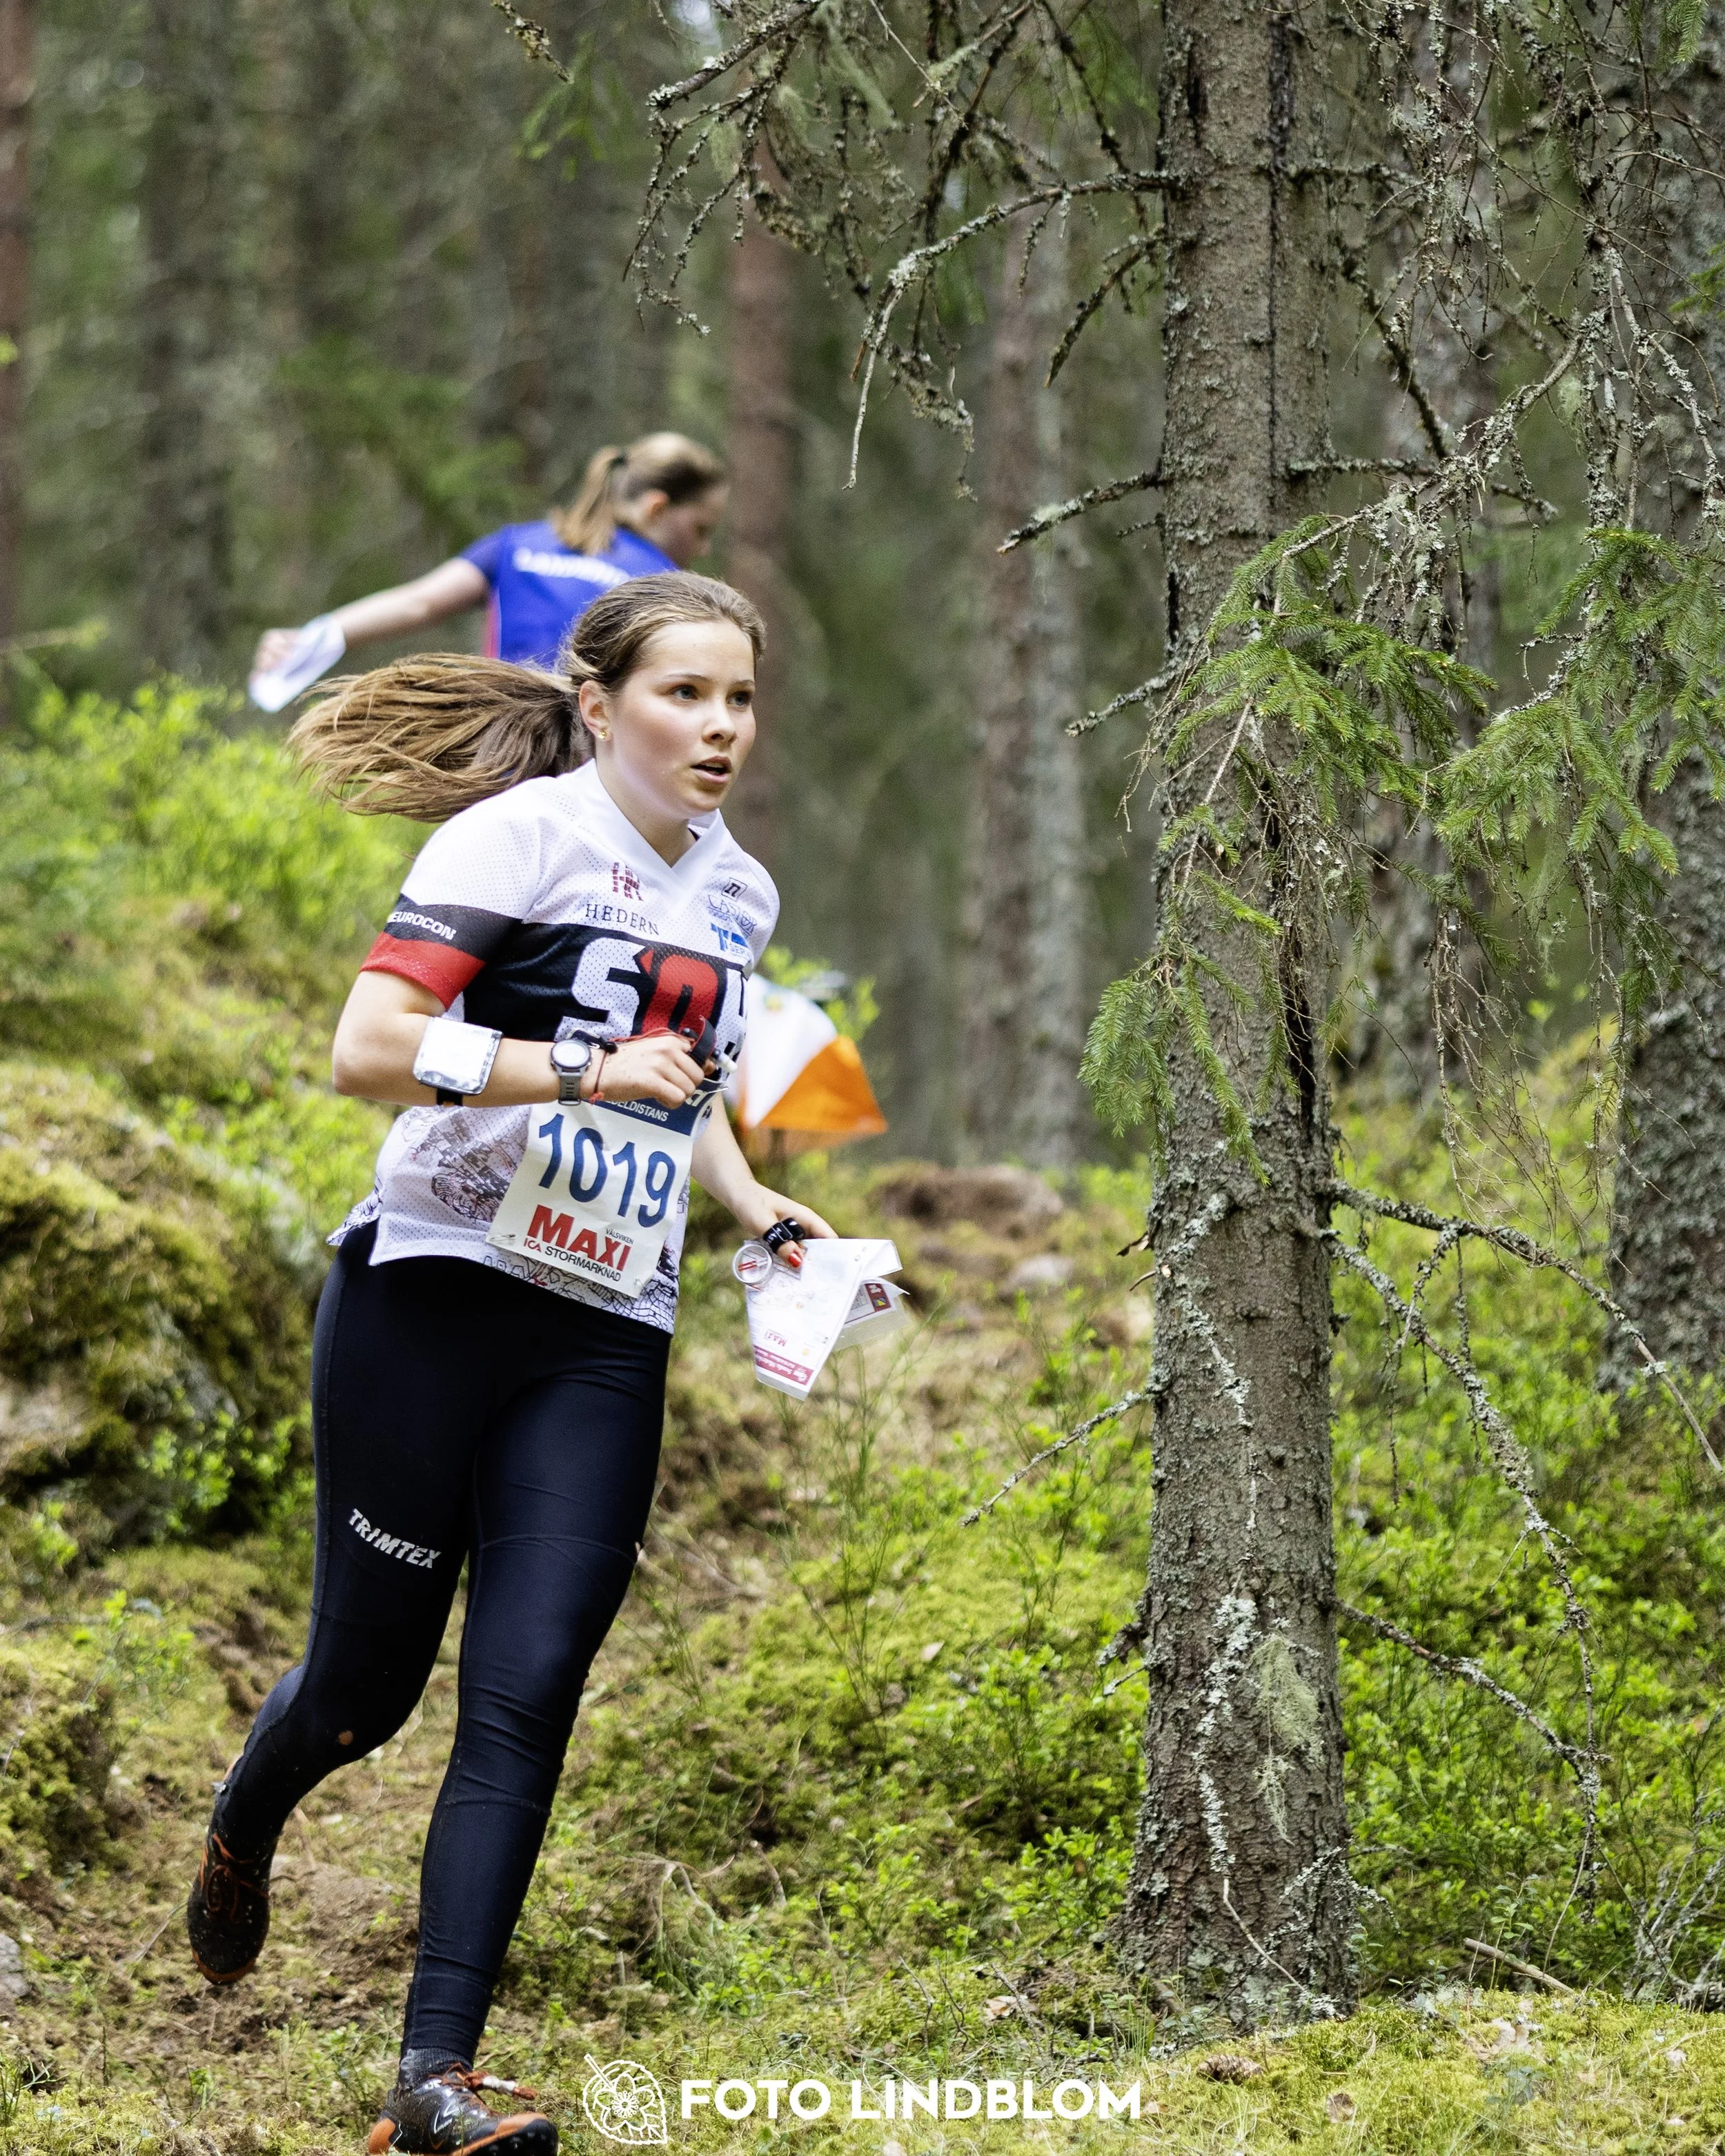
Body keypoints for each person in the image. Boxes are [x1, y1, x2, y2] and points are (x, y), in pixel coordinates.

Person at [189, 571, 831, 2156]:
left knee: (527, 1688)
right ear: (603, 704)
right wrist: (573, 1064)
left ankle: (434, 2081)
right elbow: (368, 1048)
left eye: (741, 699)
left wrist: (756, 1200)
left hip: (605, 1327)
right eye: (687, 694)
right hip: (433, 1291)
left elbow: (691, 1092)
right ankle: (245, 1819)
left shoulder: (738, 894)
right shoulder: (514, 841)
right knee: (366, 1687)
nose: (722, 727)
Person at [250, 433, 729, 679]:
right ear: (656, 508)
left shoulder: (519, 544)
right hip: (600, 786)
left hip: (501, 765)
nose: (703, 548)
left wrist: (310, 638)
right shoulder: (665, 584)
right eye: (700, 529)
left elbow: (418, 602)